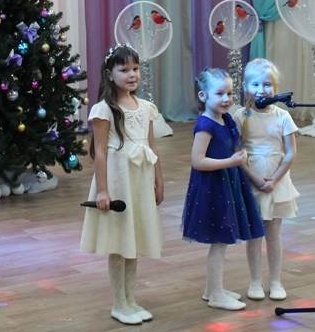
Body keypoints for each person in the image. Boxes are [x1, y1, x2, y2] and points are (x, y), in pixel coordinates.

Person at [79, 45, 164, 325]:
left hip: (140, 180)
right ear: (110, 74)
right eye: (124, 69)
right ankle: (119, 303)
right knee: (119, 242)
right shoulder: (104, 110)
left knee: (133, 239)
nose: (132, 74)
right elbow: (100, 152)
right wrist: (103, 190)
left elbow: (152, 147)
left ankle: (130, 299)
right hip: (119, 180)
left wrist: (158, 180)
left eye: (135, 69)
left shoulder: (146, 107)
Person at [181, 68, 264, 311]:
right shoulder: (205, 125)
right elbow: (197, 161)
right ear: (203, 95)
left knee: (222, 241)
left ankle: (212, 289)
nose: (227, 98)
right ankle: (216, 295)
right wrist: (231, 161)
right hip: (212, 188)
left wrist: (238, 156)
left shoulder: (226, 119)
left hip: (226, 182)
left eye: (229, 93)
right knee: (219, 242)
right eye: (220, 93)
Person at [234, 58, 299, 302]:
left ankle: (275, 281)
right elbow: (237, 152)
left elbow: (290, 152)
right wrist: (255, 179)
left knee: (274, 234)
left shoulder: (283, 116)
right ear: (245, 87)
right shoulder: (241, 116)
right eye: (255, 84)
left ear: (276, 87)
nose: (261, 90)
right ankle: (254, 281)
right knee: (254, 235)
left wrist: (273, 180)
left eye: (267, 84)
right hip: (252, 179)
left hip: (277, 179)